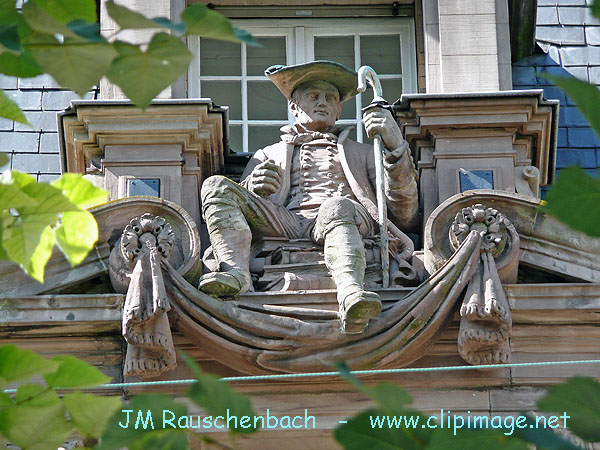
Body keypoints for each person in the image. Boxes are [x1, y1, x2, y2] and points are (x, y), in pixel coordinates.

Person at [199, 61, 418, 333]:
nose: (322, 102)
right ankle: (236, 273)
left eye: (331, 98)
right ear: (293, 107)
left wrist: (395, 146)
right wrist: (251, 187)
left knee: (337, 206)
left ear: (339, 109)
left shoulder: (363, 153)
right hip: (286, 222)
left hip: (342, 219)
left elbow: (404, 212)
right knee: (216, 186)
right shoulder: (267, 154)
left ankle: (351, 291)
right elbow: (240, 203)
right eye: (313, 96)